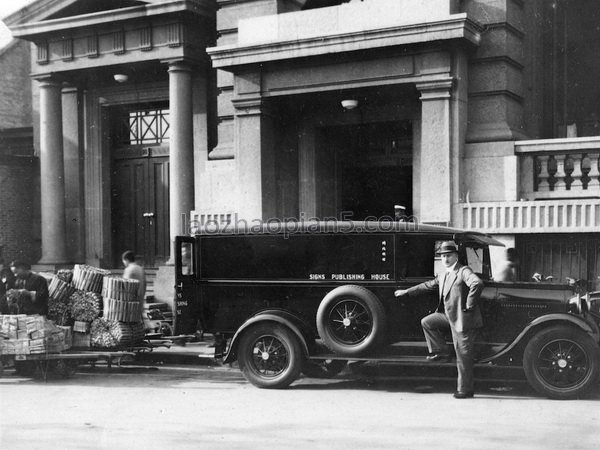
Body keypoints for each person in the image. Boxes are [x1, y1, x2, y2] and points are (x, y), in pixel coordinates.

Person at [394, 241, 484, 399]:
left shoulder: (463, 270)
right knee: (427, 322)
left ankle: (465, 390)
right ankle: (442, 351)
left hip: (462, 320)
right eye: (443, 256)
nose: (445, 259)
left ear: (456, 256)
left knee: (463, 356)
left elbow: (477, 283)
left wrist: (469, 305)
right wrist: (407, 291)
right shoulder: (443, 274)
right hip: (448, 317)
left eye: (449, 255)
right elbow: (427, 285)